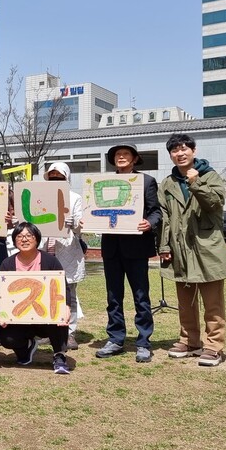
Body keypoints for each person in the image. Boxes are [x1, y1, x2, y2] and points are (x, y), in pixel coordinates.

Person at [159, 133, 226, 367]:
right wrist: (164, 245)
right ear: (170, 154)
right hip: (179, 249)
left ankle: (214, 346)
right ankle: (190, 341)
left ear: (194, 150)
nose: (180, 153)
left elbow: (214, 203)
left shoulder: (209, 176)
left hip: (206, 247)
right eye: (175, 150)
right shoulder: (168, 183)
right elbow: (165, 217)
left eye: (184, 148)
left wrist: (196, 182)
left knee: (213, 303)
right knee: (186, 301)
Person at [96, 143, 161, 364]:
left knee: (141, 296)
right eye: (117, 155)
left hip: (137, 247)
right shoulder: (102, 183)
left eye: (125, 154)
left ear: (134, 159)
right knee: (113, 296)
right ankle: (115, 338)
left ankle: (143, 342)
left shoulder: (146, 181)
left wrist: (149, 223)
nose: (121, 157)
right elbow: (94, 210)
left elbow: (156, 212)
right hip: (111, 248)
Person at [0, 222, 71, 374]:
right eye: (19, 236)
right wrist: (0, 312)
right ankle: (26, 347)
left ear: (36, 239)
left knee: (59, 316)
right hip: (19, 318)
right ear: (14, 240)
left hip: (45, 317)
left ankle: (59, 355)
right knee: (6, 337)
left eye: (28, 235)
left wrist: (67, 307)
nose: (24, 239)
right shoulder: (7, 264)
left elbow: (63, 287)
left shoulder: (50, 261)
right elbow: (1, 293)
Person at [42, 162, 86, 350]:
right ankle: (48, 330)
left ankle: (69, 332)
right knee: (45, 292)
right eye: (51, 178)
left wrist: (73, 223)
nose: (55, 181)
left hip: (67, 250)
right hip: (44, 248)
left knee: (69, 294)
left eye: (59, 178)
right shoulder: (41, 197)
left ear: (66, 178)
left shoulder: (74, 198)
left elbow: (81, 227)